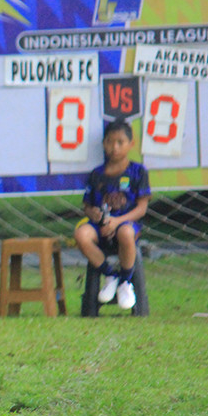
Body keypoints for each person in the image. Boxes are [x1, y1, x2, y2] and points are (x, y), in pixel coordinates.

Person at [73, 119, 151, 311]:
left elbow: (141, 208)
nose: (114, 148)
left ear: (131, 144)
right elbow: (87, 206)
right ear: (103, 144)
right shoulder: (97, 174)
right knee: (81, 235)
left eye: (120, 142)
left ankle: (125, 281)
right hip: (101, 227)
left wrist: (117, 221)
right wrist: (94, 214)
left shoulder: (138, 172)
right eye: (109, 142)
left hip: (126, 225)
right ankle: (110, 275)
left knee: (125, 233)